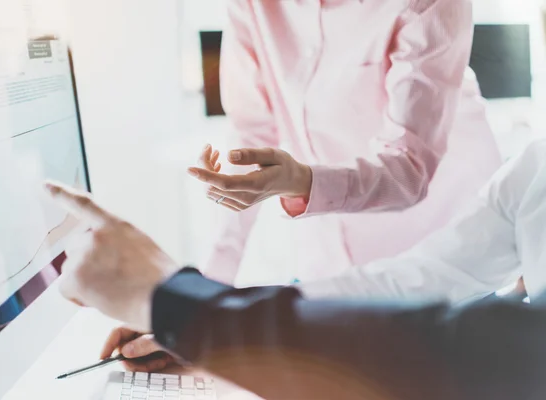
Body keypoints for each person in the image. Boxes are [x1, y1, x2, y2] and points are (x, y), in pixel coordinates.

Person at [44, 138, 546, 399]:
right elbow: (418, 280)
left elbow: (495, 360)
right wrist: (216, 330)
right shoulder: (535, 163)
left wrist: (191, 309)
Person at [190, 0, 502, 285]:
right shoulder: (252, 6)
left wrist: (303, 182)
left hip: (440, 245)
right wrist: (208, 285)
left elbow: (408, 172)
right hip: (325, 254)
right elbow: (251, 131)